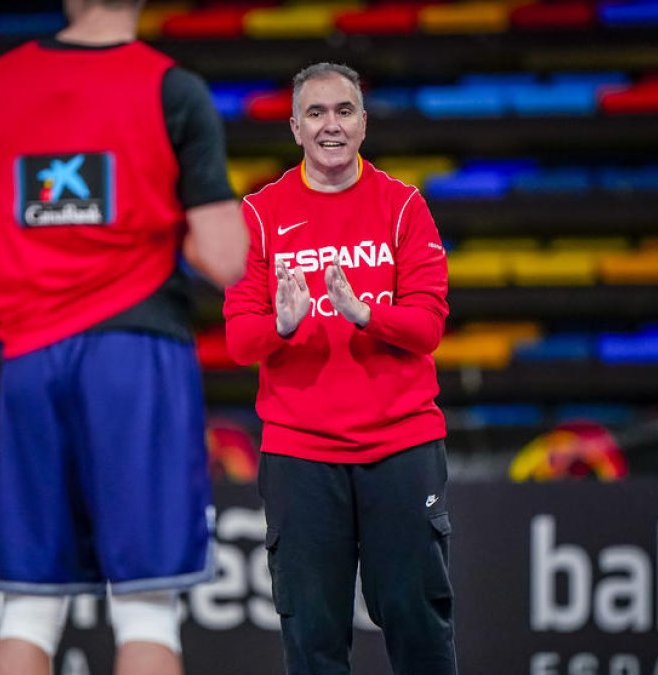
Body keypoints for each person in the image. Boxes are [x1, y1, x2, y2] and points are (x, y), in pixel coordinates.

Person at [0, 0, 247, 673]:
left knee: (27, 609)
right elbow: (224, 256)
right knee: (148, 608)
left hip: (31, 360)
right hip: (138, 355)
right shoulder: (173, 88)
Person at [223, 63, 457, 675]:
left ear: (363, 123)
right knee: (313, 633)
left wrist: (367, 313)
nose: (332, 124)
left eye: (345, 111)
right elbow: (239, 340)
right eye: (318, 113)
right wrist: (281, 325)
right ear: (296, 127)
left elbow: (429, 326)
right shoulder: (259, 215)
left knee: (415, 618)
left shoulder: (405, 207)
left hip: (401, 443)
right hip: (300, 452)